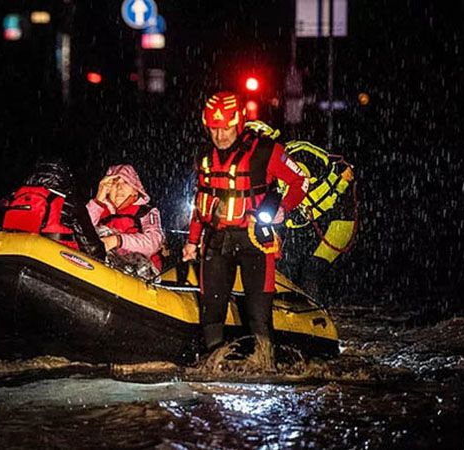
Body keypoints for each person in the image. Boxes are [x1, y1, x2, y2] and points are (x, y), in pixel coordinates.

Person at [181, 91, 308, 368]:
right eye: (214, 128)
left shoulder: (266, 150)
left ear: (239, 123)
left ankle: (265, 364)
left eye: (226, 127)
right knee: (211, 310)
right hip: (216, 240)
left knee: (258, 313)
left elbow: (300, 180)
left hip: (255, 241)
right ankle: (214, 367)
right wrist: (191, 242)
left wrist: (283, 208)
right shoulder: (203, 155)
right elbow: (201, 201)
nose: (220, 135)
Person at [245, 121, 358, 298]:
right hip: (309, 224)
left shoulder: (297, 155)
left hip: (338, 220)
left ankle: (315, 315)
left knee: (311, 270)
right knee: (285, 268)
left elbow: (301, 188)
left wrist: (283, 213)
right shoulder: (262, 168)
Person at [2, 158, 106, 260]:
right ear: (65, 178)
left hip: (15, 257)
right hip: (53, 264)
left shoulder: (15, 197)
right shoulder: (69, 203)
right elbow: (93, 251)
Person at [86, 164, 165, 278]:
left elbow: (154, 241)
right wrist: (98, 200)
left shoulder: (145, 211)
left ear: (135, 190)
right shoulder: (99, 209)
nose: (119, 187)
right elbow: (80, 231)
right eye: (114, 183)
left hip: (138, 274)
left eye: (126, 183)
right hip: (102, 268)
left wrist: (116, 240)